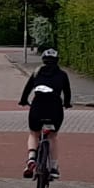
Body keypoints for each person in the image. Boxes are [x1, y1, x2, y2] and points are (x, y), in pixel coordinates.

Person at [18, 48, 72, 179]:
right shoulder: (62, 74)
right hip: (55, 108)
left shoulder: (37, 73)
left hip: (38, 107)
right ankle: (53, 167)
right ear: (57, 61)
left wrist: (23, 100)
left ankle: (31, 158)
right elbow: (67, 92)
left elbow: (27, 89)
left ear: (43, 60)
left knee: (34, 133)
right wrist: (67, 103)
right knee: (52, 137)